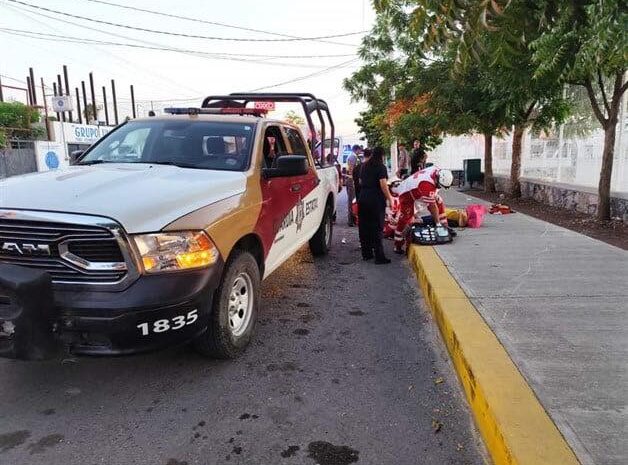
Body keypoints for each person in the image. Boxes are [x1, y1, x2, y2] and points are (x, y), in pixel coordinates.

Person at [392, 166, 454, 254]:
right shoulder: (426, 184)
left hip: (416, 190)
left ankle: (445, 227)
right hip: (407, 196)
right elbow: (432, 207)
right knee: (404, 219)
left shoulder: (436, 170)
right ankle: (398, 244)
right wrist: (437, 224)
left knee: (439, 201)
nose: (439, 187)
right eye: (439, 185)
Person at [358, 146, 394, 264]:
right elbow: (383, 184)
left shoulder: (364, 165)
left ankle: (366, 253)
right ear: (382, 156)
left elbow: (360, 181)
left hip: (363, 197)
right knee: (377, 227)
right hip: (375, 199)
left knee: (364, 226)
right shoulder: (380, 167)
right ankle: (379, 256)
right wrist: (390, 198)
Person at [345, 144, 362, 226]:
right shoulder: (353, 157)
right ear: (357, 150)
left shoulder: (352, 156)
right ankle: (350, 220)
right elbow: (351, 169)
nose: (360, 151)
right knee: (351, 200)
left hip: (351, 179)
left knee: (352, 200)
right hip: (351, 180)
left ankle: (352, 219)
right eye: (359, 150)